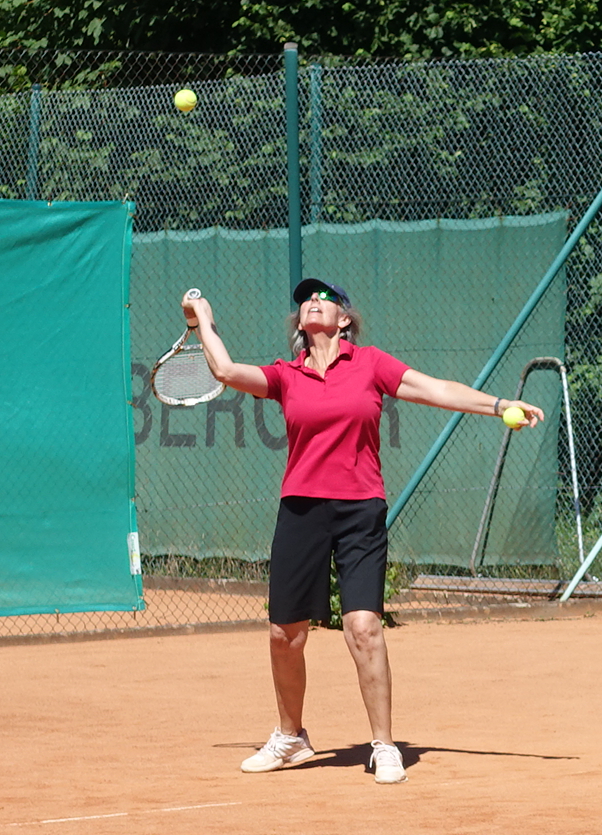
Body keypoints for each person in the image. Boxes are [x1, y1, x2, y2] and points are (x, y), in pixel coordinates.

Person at [183, 279, 542, 785]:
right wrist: (203, 317)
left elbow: (436, 390)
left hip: (360, 510)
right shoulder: (286, 375)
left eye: (325, 299)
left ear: (344, 319)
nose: (313, 303)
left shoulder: (371, 364)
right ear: (300, 321)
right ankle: (290, 737)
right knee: (284, 635)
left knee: (364, 627)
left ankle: (384, 745)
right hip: (301, 510)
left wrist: (499, 404)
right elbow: (223, 370)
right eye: (306, 300)